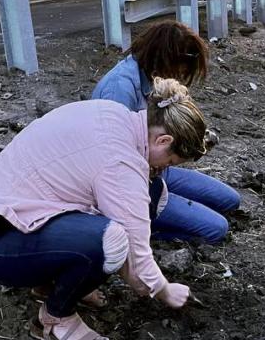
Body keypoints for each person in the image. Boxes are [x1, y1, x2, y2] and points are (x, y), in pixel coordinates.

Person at [0, 78, 207, 340]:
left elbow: (26, 160)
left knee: (149, 191)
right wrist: (164, 290)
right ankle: (56, 315)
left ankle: (51, 284)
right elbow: (137, 252)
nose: (163, 168)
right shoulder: (120, 162)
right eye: (170, 162)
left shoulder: (111, 114)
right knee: (109, 241)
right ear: (164, 140)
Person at [92, 20, 240, 245]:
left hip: (156, 167)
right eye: (180, 71)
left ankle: (167, 209)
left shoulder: (152, 79)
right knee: (215, 229)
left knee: (228, 200)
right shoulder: (119, 91)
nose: (180, 78)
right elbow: (112, 164)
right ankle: (143, 232)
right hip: (132, 181)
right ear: (164, 61)